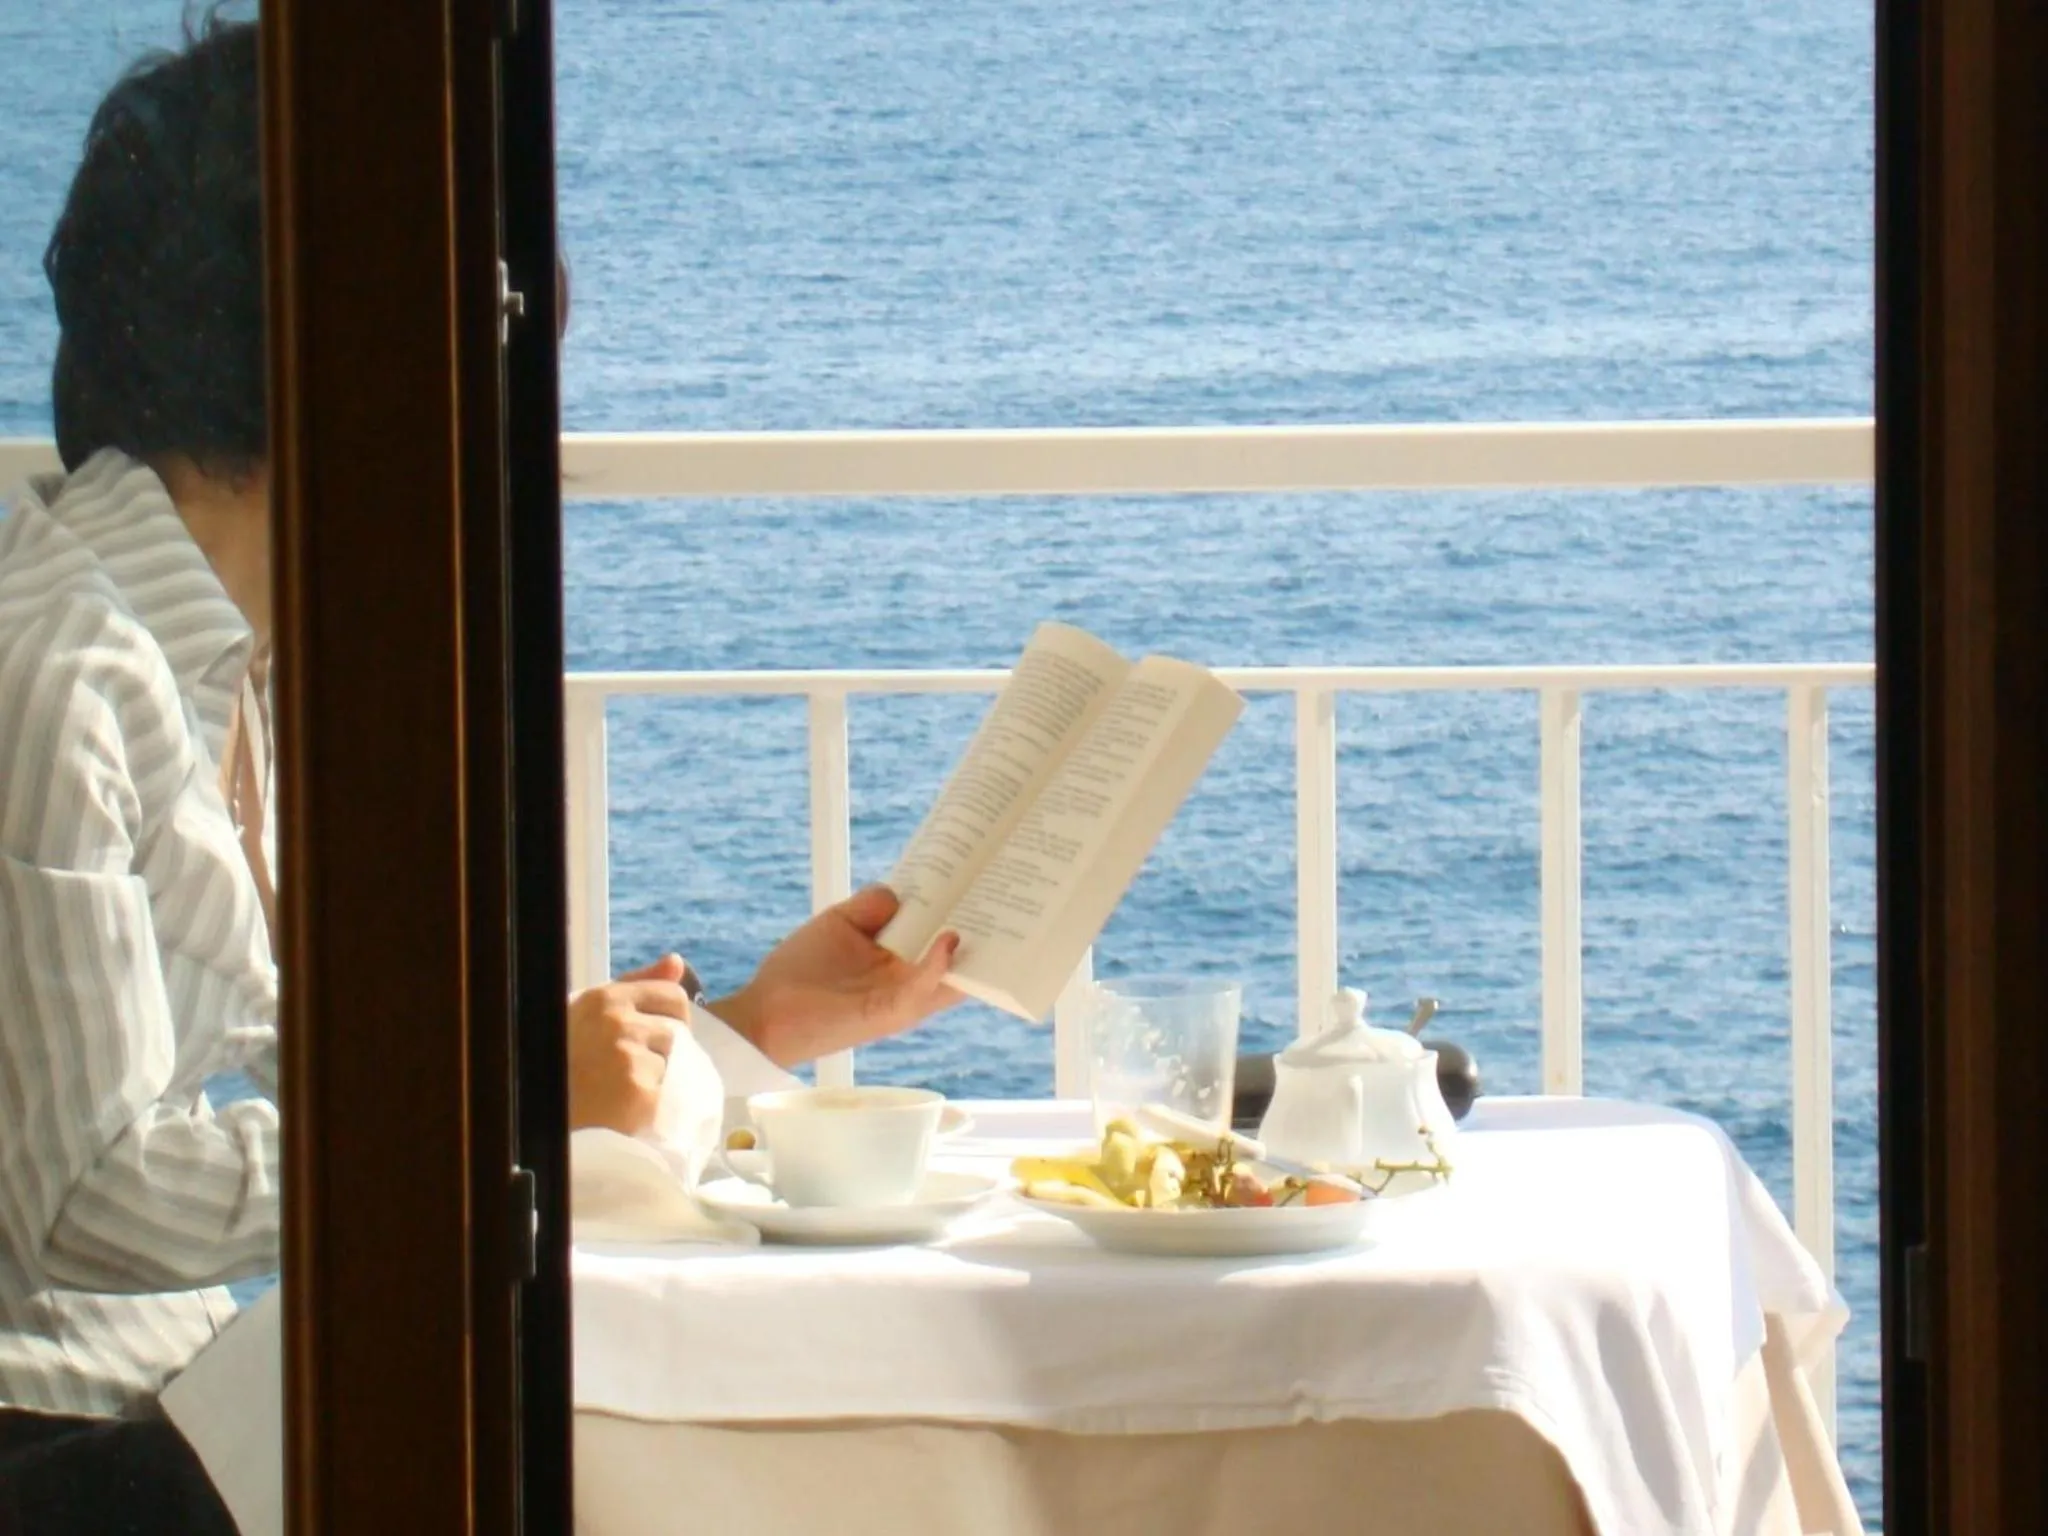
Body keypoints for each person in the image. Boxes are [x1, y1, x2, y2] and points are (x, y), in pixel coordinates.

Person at [0, 15, 958, 1530]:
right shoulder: (62, 669)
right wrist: (511, 1112)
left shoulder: (221, 652)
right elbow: (81, 1202)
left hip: (163, 1403)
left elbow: (330, 1082)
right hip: (60, 1447)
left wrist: (734, 1032)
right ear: (339, 353)